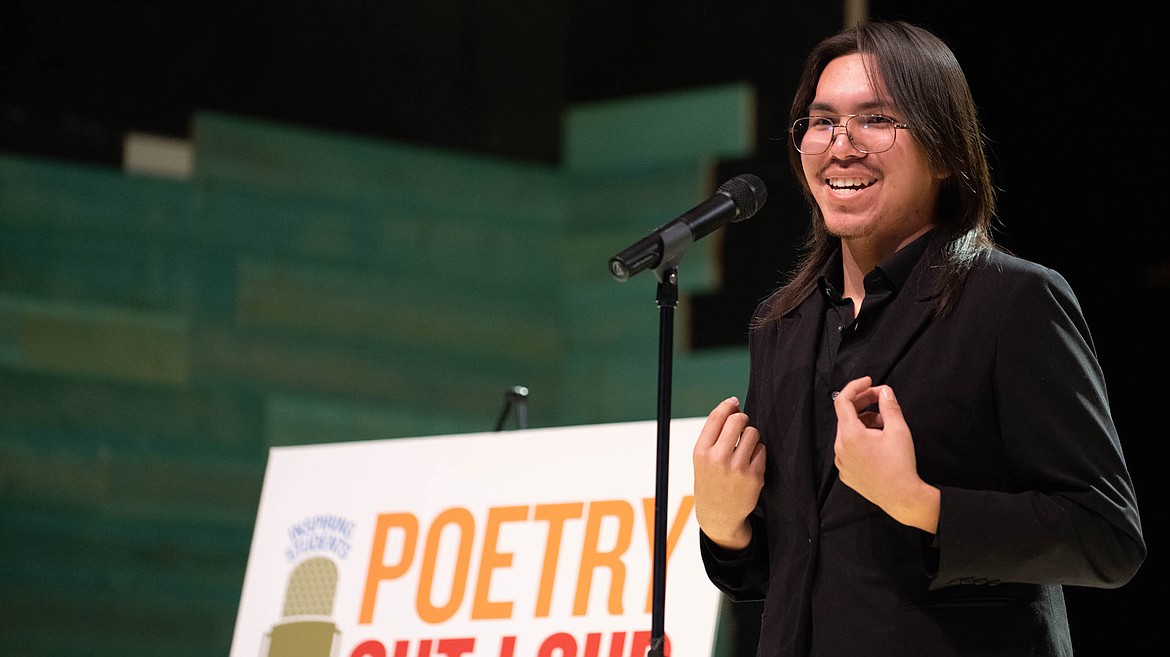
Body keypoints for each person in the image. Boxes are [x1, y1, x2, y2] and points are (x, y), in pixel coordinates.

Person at [691, 19, 1145, 657]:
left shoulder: (1012, 302)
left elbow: (1107, 539)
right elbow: (796, 570)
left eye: (875, 118)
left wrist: (921, 503)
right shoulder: (781, 326)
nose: (840, 146)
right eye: (821, 123)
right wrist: (724, 524)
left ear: (944, 150)